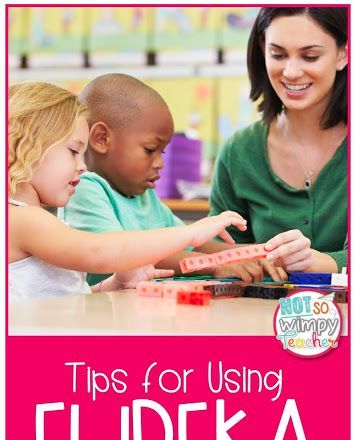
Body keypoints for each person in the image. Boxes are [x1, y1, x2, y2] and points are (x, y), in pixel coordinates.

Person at [9, 82, 247, 302]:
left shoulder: (33, 218)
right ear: (25, 147)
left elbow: (61, 298)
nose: (82, 165)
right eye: (73, 151)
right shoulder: (20, 219)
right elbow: (99, 251)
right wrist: (191, 233)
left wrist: (111, 285)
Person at [62, 73, 283, 285]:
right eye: (150, 150)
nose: (160, 163)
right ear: (102, 139)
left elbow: (194, 244)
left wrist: (254, 254)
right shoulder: (84, 190)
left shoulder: (144, 197)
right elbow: (126, 254)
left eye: (162, 152)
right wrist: (213, 264)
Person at [210, 7, 348, 274]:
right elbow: (219, 250)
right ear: (263, 49)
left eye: (310, 56)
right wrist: (236, 261)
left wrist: (330, 263)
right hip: (261, 315)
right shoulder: (238, 152)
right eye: (278, 54)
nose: (291, 71)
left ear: (343, 53)